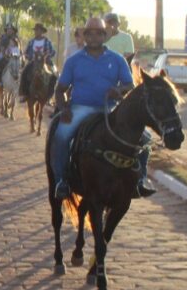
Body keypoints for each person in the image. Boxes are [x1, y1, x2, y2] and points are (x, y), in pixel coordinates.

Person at [50, 17, 155, 200]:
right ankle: (61, 181)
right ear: (85, 36)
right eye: (89, 33)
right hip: (81, 107)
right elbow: (60, 90)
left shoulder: (117, 59)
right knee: (61, 136)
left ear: (104, 36)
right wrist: (63, 108)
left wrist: (118, 90)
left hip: (110, 108)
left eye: (98, 33)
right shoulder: (74, 61)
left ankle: (140, 180)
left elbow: (129, 85)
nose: (93, 37)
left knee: (145, 139)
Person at [19, 23, 57, 101]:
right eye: (36, 30)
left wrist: (47, 55)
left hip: (45, 62)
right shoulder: (31, 42)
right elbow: (26, 53)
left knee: (54, 74)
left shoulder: (47, 41)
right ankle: (24, 93)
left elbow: (53, 51)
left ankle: (50, 95)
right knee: (24, 72)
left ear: (42, 31)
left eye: (38, 30)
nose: (36, 32)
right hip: (33, 62)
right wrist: (29, 56)